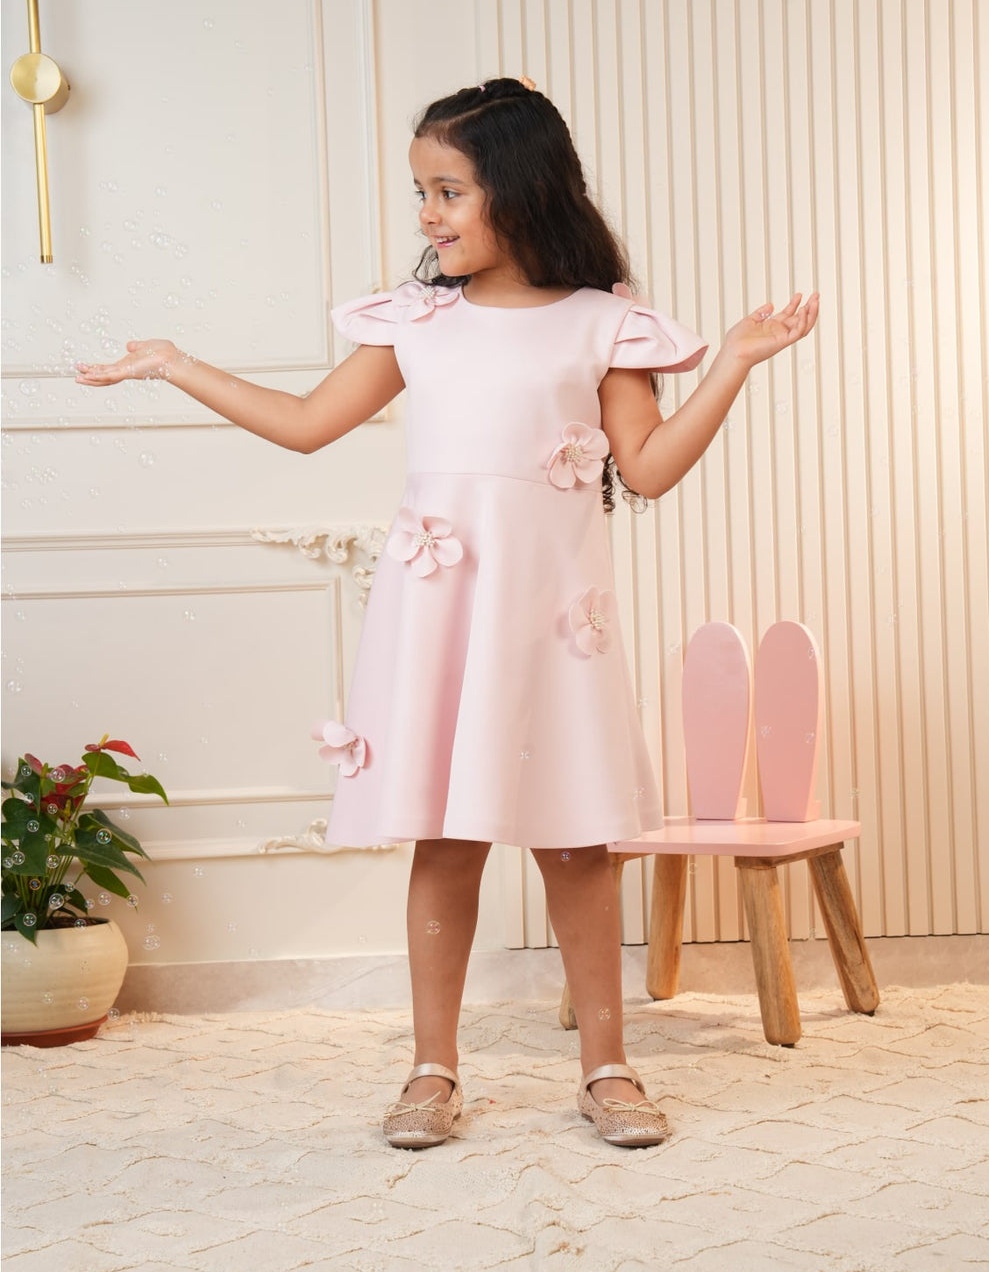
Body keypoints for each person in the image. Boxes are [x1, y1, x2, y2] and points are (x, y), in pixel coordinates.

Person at [77, 77, 818, 1150]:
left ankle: (607, 1067)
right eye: (421, 191)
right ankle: (433, 1068)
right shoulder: (416, 321)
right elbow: (305, 424)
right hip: (441, 615)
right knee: (448, 836)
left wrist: (735, 362)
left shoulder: (603, 324)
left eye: (448, 191)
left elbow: (649, 467)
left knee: (578, 847)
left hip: (551, 627)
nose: (427, 214)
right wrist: (176, 363)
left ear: (520, 189)